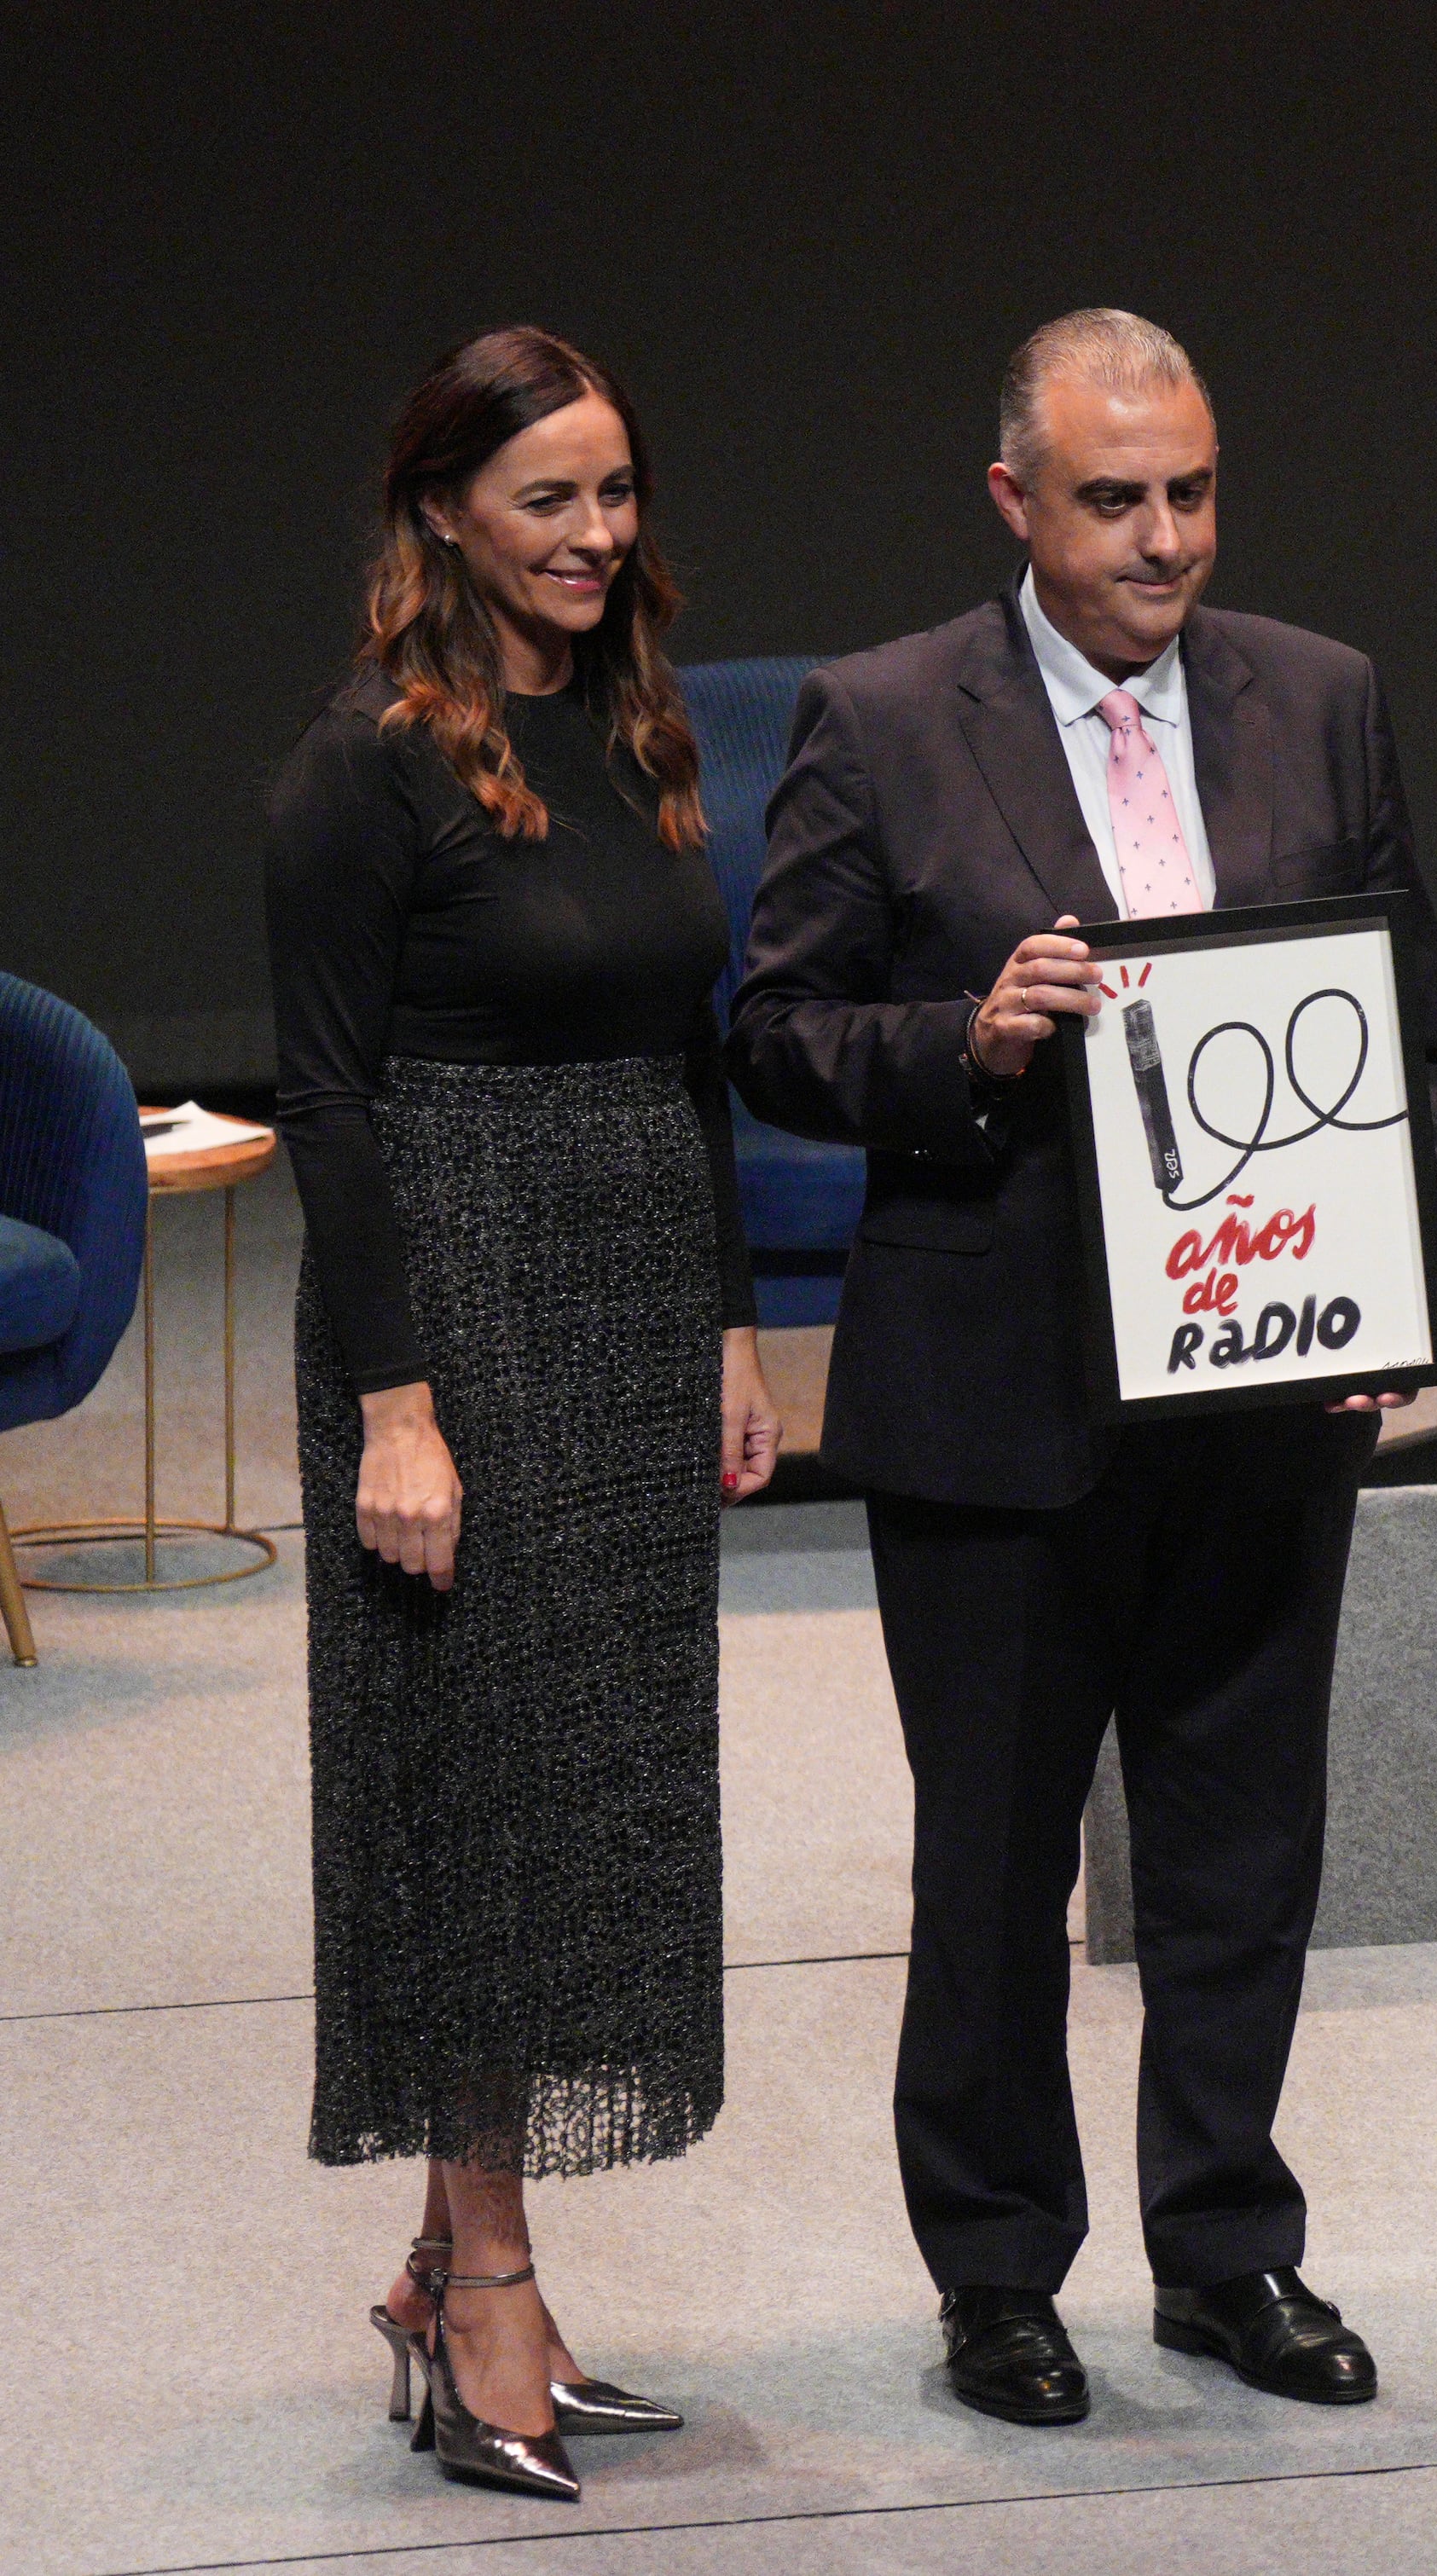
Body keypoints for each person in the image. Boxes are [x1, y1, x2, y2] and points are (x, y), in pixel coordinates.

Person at [727, 310, 1437, 2425]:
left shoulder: (1318, 696)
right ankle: (996, 2273)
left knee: (1245, 1844)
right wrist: (956, 1041)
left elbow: (1415, 1038)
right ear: (1014, 503)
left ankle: (1228, 2244)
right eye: (1115, 499)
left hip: (1268, 1382)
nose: (1164, 538)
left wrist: (1383, 1292)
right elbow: (776, 1034)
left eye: (1193, 492)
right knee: (991, 1856)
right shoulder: (878, 718)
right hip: (996, 1391)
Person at [269, 327, 779, 2503]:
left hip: (634, 1296)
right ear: (447, 510)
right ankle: (487, 2277)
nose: (594, 535)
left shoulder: (632, 724)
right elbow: (327, 1096)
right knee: (478, 1812)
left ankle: (448, 2265)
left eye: (616, 492)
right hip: (453, 1319)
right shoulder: (365, 764)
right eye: (549, 497)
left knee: (584, 1803)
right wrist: (398, 1404)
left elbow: (694, 1054)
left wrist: (736, 1333)